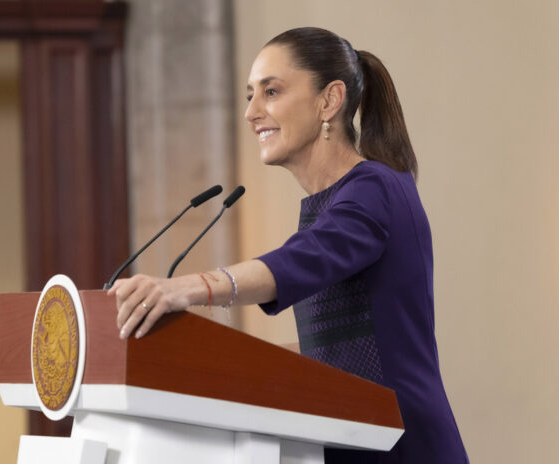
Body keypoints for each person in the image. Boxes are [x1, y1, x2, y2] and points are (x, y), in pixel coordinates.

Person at [108, 27, 468, 463]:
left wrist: (185, 288)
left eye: (271, 91)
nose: (251, 113)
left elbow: (302, 260)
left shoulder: (375, 188)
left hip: (402, 446)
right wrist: (216, 363)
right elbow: (338, 350)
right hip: (353, 442)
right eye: (250, 96)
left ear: (329, 101)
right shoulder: (329, 206)